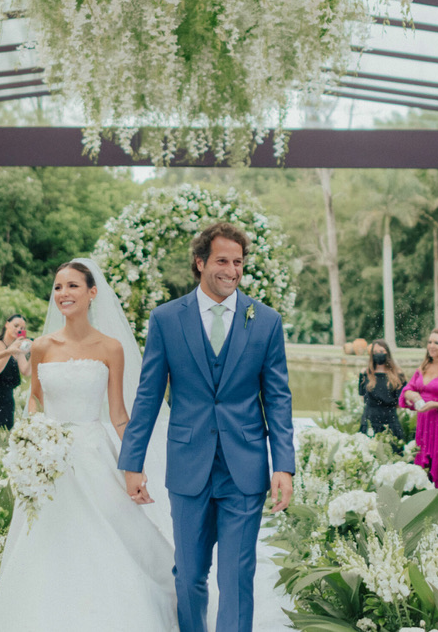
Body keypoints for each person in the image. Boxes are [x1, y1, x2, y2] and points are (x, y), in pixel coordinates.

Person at [0, 259, 179, 631]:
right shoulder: (41, 346)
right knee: (44, 541)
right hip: (47, 462)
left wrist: (134, 465)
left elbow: (120, 414)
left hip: (92, 455)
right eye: (58, 287)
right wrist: (31, 442)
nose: (63, 294)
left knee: (108, 538)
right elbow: (35, 399)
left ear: (92, 293)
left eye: (72, 286)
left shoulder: (111, 348)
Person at [120, 222, 296, 632]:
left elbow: (278, 398)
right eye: (222, 260)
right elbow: (148, 395)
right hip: (188, 465)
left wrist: (283, 465)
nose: (232, 270)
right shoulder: (166, 319)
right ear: (200, 263)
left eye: (238, 262)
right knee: (190, 575)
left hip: (245, 468)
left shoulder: (265, 321)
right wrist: (133, 463)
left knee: (236, 576)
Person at [399, 328, 438, 488]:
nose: (431, 346)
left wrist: (434, 404)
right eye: (429, 342)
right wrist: (414, 395)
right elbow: (407, 390)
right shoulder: (423, 367)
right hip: (423, 423)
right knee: (422, 466)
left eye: (436, 342)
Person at [0, 314, 33, 430]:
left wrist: (34, 352)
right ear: (7, 324)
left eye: (23, 328)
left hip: (7, 402)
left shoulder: (18, 349)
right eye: (16, 325)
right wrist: (10, 351)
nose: (19, 329)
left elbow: (26, 371)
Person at [358, 339, 405, 442]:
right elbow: (363, 397)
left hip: (390, 420)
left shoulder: (398, 375)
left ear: (387, 353)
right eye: (375, 352)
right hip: (369, 420)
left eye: (381, 352)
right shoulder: (365, 374)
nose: (378, 355)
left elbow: (400, 402)